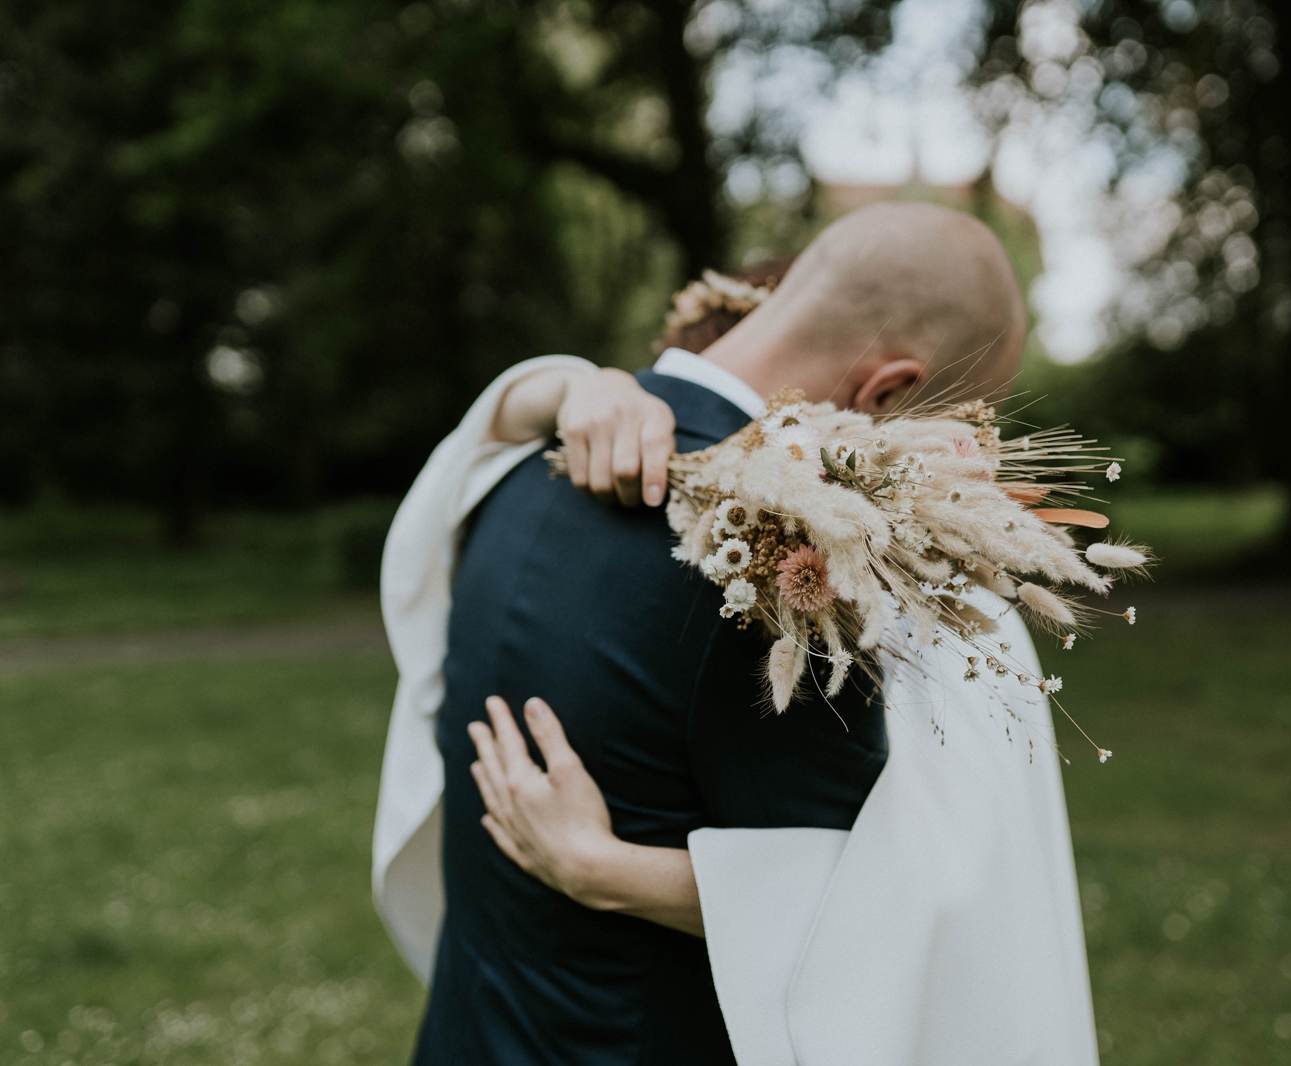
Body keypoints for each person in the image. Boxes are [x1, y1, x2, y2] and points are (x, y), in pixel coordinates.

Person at [374, 202, 1097, 1065]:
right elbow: (862, 920)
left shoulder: (505, 474)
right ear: (891, 390)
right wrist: (603, 873)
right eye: (954, 421)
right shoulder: (790, 581)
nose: (954, 462)